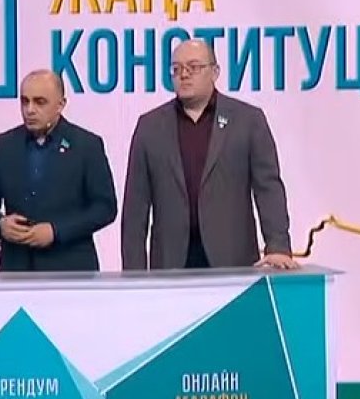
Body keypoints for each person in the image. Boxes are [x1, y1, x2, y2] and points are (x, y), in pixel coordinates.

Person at [121, 39, 298, 271]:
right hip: (171, 263)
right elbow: (135, 208)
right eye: (176, 69)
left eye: (193, 67)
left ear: (215, 72)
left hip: (234, 260)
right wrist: (133, 273)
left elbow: (268, 189)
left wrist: (278, 246)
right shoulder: (150, 127)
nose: (184, 74)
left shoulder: (248, 120)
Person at [0, 69, 117, 272]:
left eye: (40, 102)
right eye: (25, 101)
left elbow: (105, 208)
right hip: (16, 269)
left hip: (71, 271)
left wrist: (56, 231)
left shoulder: (87, 146)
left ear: (60, 105)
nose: (29, 110)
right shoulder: (5, 145)